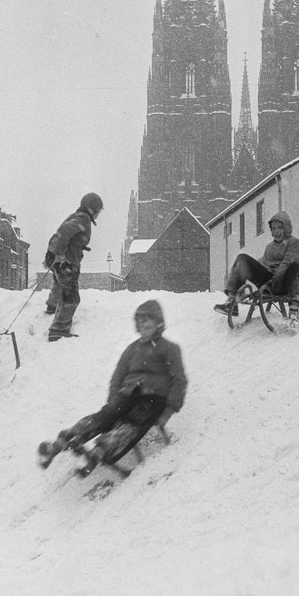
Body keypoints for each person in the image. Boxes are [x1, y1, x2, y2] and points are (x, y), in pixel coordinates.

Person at [38, 300, 187, 473]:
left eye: (149, 320)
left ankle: (99, 451)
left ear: (158, 323)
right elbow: (118, 377)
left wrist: (168, 411)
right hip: (128, 395)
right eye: (141, 321)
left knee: (132, 423)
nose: (144, 324)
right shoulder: (132, 349)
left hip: (153, 398)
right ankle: (64, 440)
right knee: (102, 416)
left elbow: (179, 380)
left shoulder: (169, 349)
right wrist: (114, 402)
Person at [214, 210, 299, 330]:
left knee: (296, 267)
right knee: (242, 259)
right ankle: (232, 302)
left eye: (280, 227)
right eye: (273, 228)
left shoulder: (295, 243)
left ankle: (293, 312)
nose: (276, 231)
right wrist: (246, 267)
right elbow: (262, 262)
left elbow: (287, 262)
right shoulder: (269, 247)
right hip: (269, 283)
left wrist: (277, 278)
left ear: (287, 228)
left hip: (287, 282)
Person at [44, 192, 103, 342]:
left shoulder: (76, 216)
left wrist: (55, 254)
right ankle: (59, 329)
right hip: (66, 261)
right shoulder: (83, 219)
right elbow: (64, 231)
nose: (97, 215)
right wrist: (61, 254)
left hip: (57, 258)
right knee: (71, 297)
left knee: (60, 283)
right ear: (92, 209)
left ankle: (52, 306)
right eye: (98, 211)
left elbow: (64, 233)